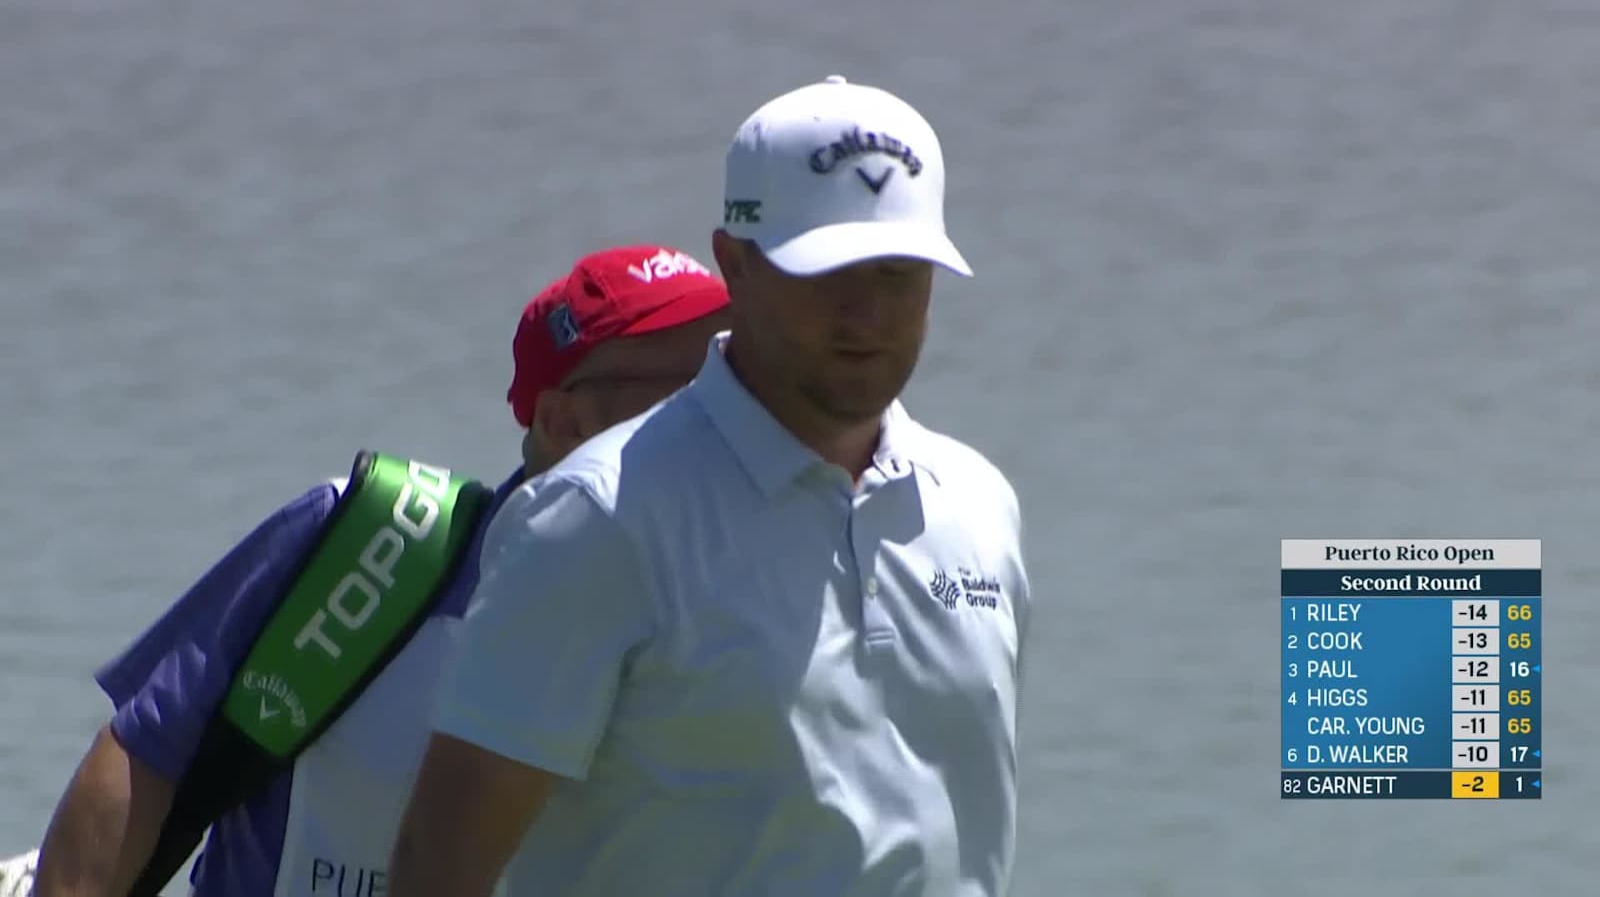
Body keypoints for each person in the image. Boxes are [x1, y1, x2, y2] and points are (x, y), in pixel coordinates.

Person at [389, 74, 1032, 897]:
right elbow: (438, 871)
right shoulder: (597, 518)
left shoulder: (978, 506)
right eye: (826, 272)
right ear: (735, 263)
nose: (863, 315)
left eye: (895, 274)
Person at [29, 243, 732, 897]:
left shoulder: (742, 601)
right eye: (691, 386)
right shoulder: (375, 540)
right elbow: (146, 753)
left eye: (735, 372)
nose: (726, 412)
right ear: (564, 422)